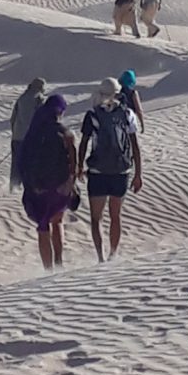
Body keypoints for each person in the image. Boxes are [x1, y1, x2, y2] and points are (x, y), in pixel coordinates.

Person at [78, 77, 142, 263]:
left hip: (98, 172)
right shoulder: (127, 113)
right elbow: (135, 145)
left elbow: (83, 143)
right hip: (121, 172)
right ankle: (114, 254)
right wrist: (138, 173)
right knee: (116, 216)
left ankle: (100, 256)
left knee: (96, 218)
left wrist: (79, 166)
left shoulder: (92, 114)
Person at [20, 94, 78, 271]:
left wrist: (30, 184)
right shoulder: (66, 133)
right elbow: (73, 164)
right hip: (60, 188)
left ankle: (48, 269)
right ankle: (59, 263)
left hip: (38, 189)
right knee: (57, 222)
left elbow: (23, 161)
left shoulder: (33, 132)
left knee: (43, 226)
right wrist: (71, 183)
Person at [9, 78, 47, 190]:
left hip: (17, 137)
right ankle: (30, 186)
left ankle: (14, 187)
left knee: (16, 163)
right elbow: (43, 118)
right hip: (32, 137)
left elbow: (13, 119)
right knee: (32, 163)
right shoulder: (39, 99)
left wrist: (15, 132)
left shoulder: (21, 98)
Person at [118, 69, 145, 134]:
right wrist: (142, 124)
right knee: (133, 141)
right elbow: (139, 109)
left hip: (118, 121)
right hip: (130, 120)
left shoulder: (117, 92)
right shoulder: (133, 93)